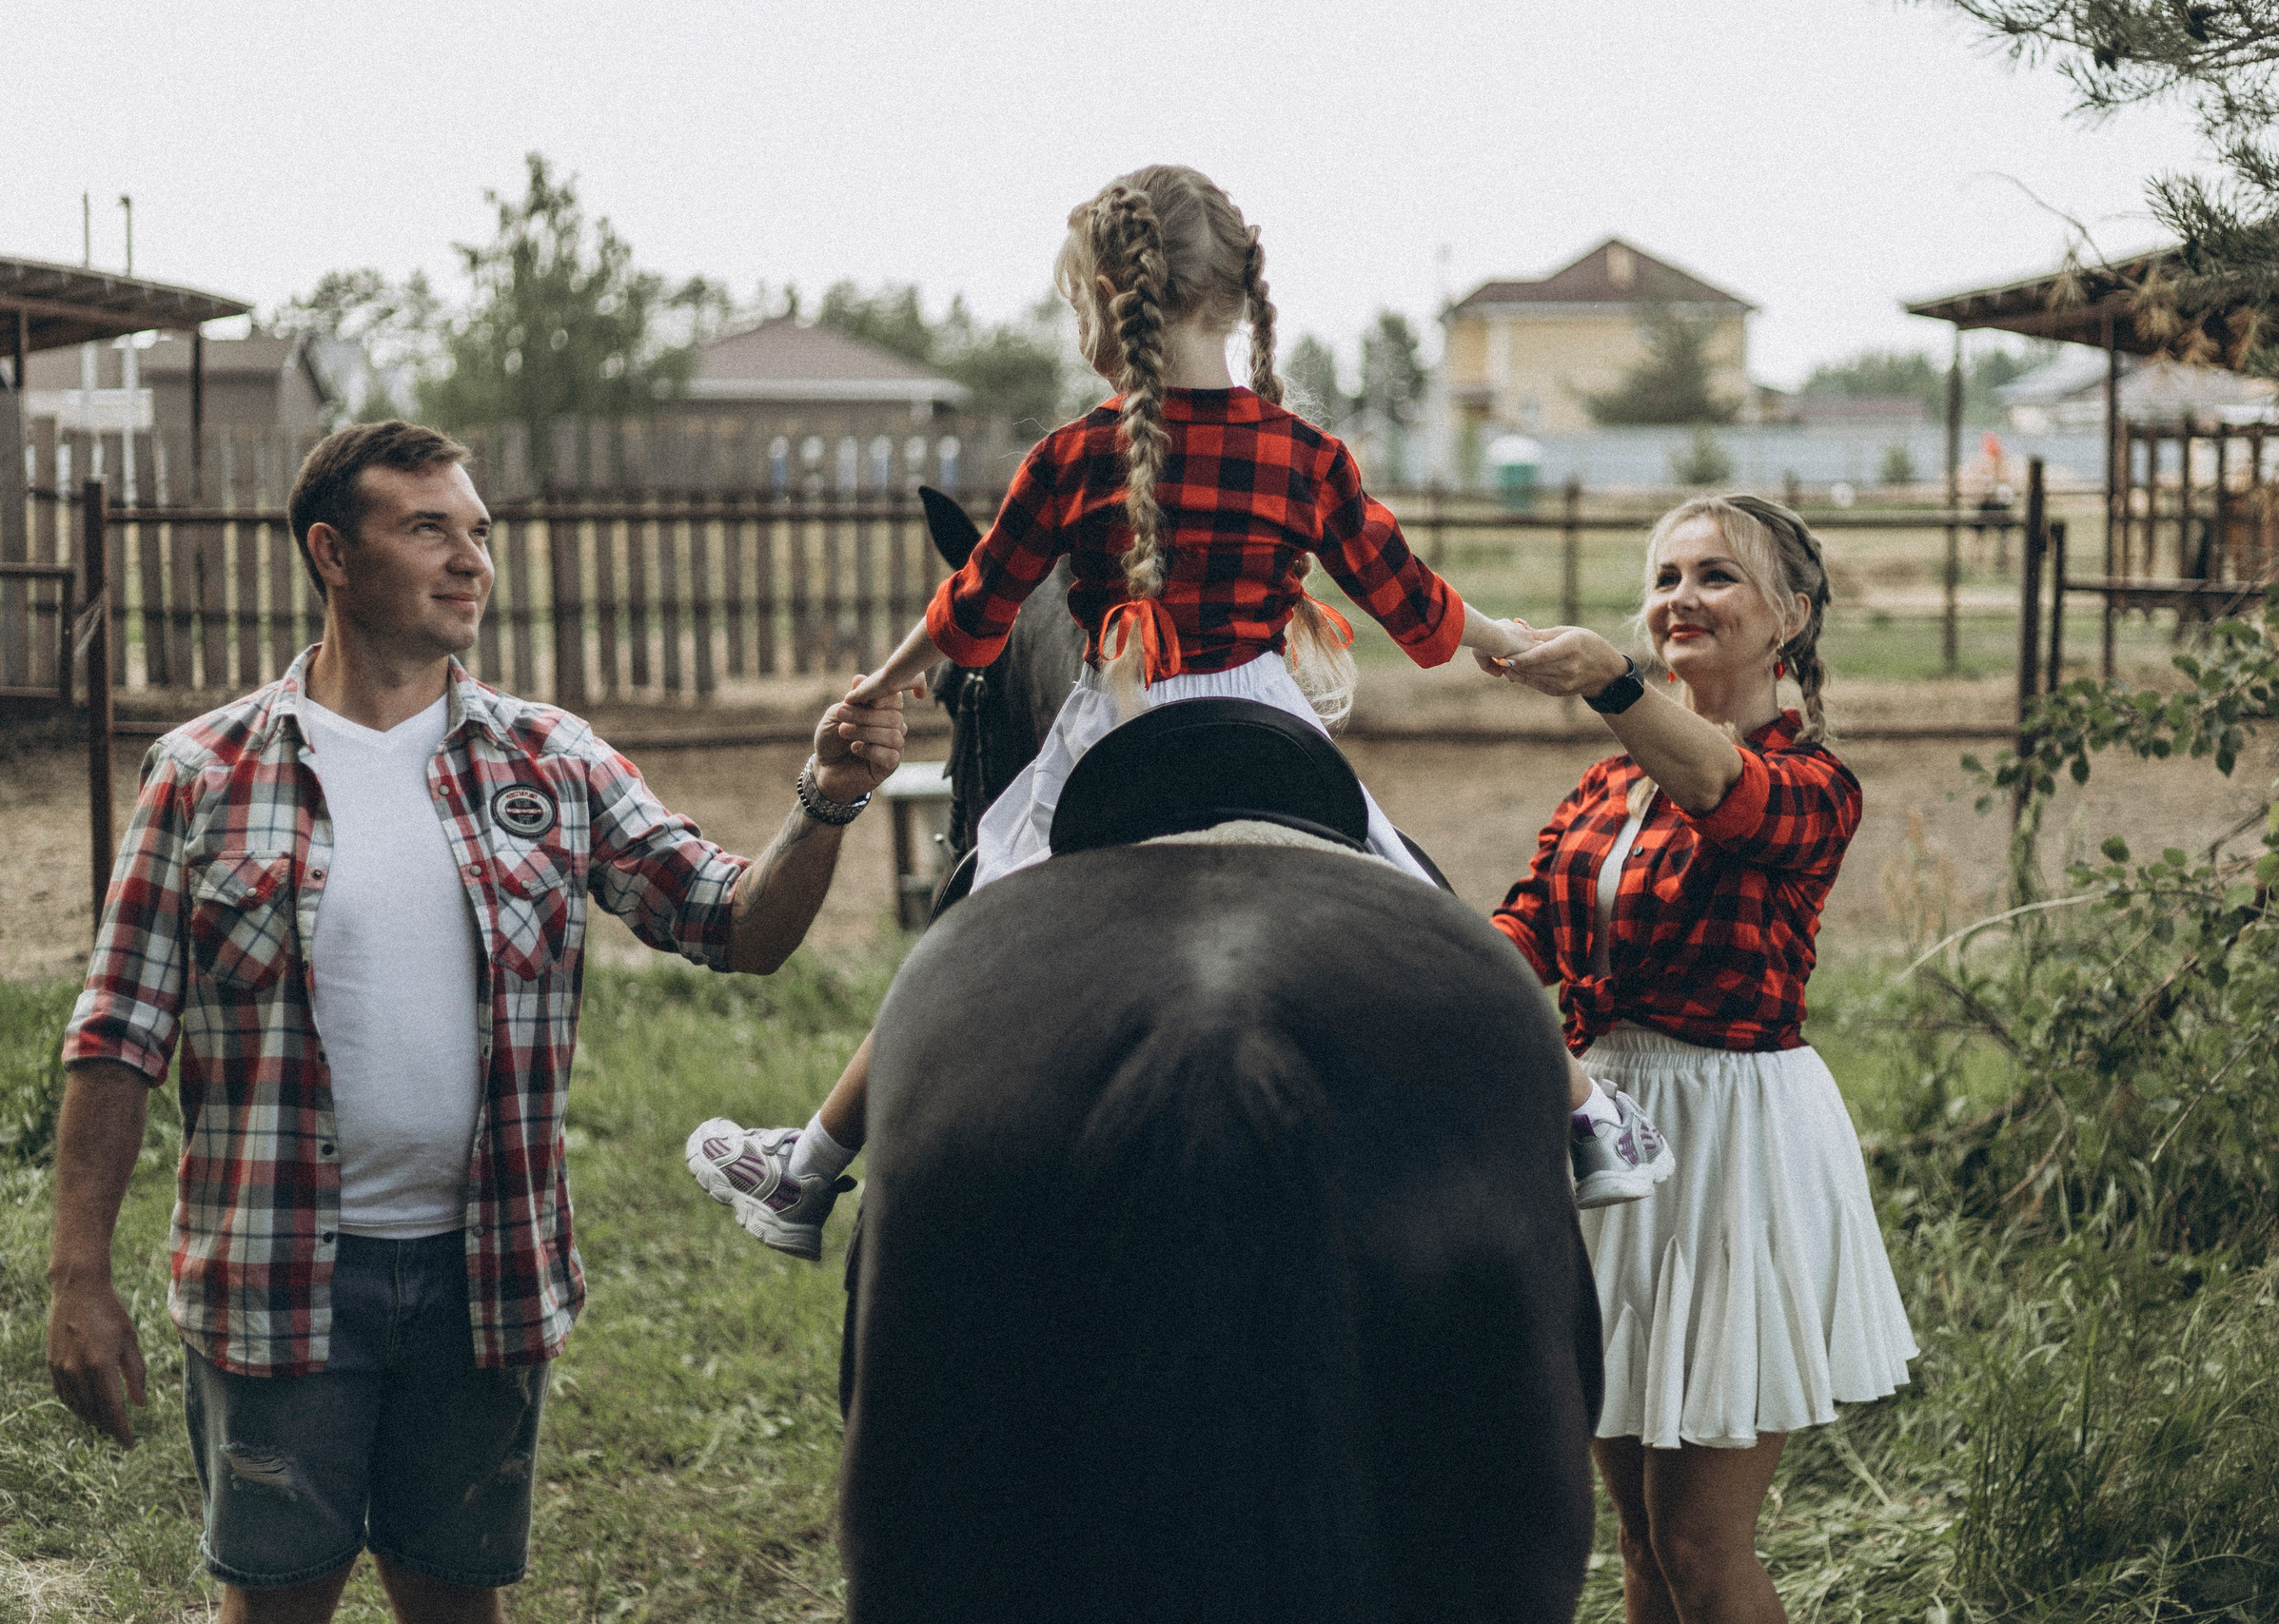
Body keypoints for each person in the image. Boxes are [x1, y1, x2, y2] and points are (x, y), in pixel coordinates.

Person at [682, 164, 1653, 1259]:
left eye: (1074, 307)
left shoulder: (1068, 456)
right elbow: (1413, 604)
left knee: (964, 939)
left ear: (1106, 300)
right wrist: (1508, 641)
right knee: (1423, 906)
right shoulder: (1306, 454)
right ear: (1236, 301)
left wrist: (882, 680)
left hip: (1116, 724)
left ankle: (806, 1170)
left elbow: (976, 611)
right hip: (1268, 722)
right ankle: (1590, 1121)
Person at [48, 421, 906, 1624]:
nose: (472, 561)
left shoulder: (551, 760)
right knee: (272, 1606)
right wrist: (78, 1275)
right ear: (332, 553)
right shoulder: (204, 773)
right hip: (277, 1276)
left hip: (486, 1274)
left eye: (480, 533)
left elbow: (735, 925)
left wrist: (826, 800)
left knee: (458, 1606)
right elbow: (118, 1033)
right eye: (429, 530)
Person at [1486, 494, 1916, 1623]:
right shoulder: (1604, 786)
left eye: (1716, 575)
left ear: (1790, 615)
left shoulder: (1814, 784)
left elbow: (1728, 795)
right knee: (1637, 1537)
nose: (1682, 597)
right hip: (1601, 1134)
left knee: (1699, 1542)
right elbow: (1521, 933)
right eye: (1667, 576)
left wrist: (1612, 682)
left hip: (1733, 1145)